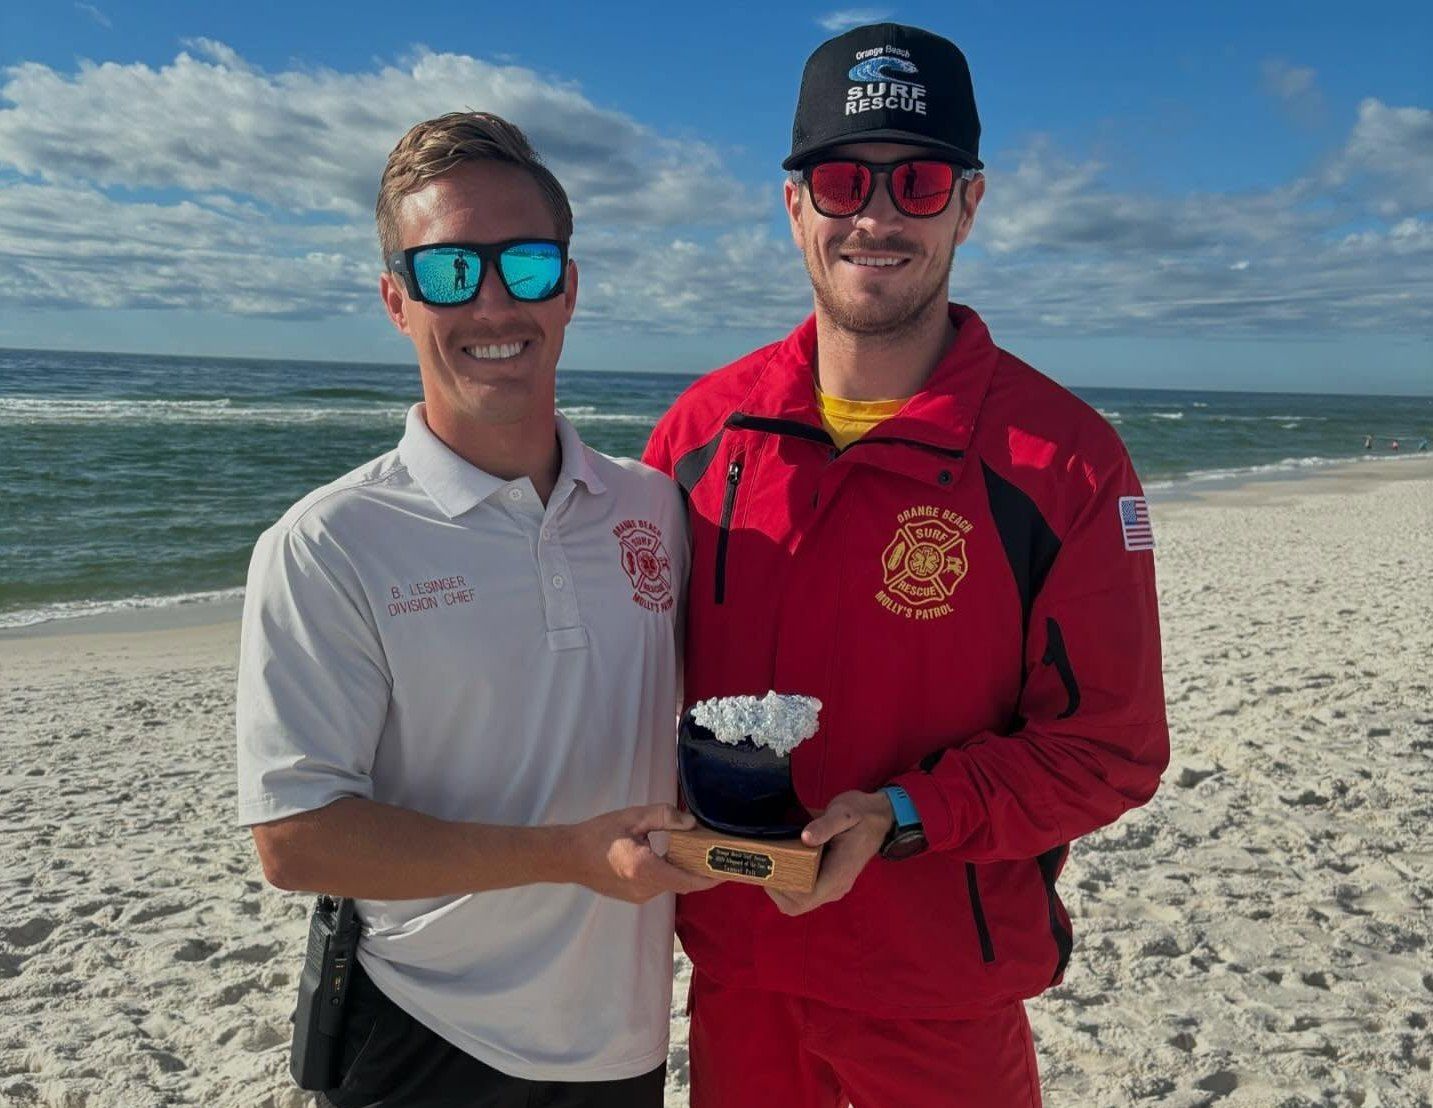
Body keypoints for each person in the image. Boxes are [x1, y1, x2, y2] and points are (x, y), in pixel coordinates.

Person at [644, 23, 1169, 1107]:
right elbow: (620, 684)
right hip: (737, 974)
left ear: (968, 204)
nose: (875, 216)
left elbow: (1110, 748)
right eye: (841, 180)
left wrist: (905, 811)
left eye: (917, 181)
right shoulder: (698, 435)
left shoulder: (1062, 458)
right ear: (794, 204)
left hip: (939, 990)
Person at [237, 111, 713, 1108]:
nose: (493, 302)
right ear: (396, 300)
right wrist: (563, 856)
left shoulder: (654, 506)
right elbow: (296, 836)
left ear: (570, 288)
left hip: (621, 1039)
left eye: (526, 265)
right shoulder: (327, 542)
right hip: (423, 1031)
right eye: (449, 271)